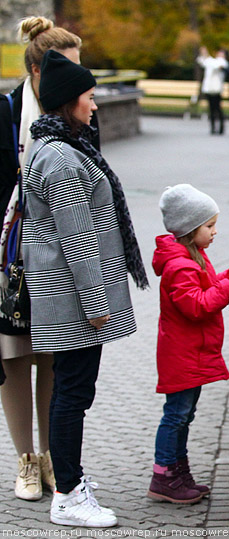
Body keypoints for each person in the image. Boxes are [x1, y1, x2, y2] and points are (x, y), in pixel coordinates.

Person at [24, 50, 149, 527]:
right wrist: (97, 305)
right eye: (90, 98)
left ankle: (71, 482)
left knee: (72, 391)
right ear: (67, 101)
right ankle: (70, 495)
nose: (95, 106)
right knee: (73, 393)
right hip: (72, 298)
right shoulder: (60, 158)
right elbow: (76, 237)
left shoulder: (58, 146)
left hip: (67, 296)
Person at [0, 15, 86, 503]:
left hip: (56, 260)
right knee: (14, 359)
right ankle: (26, 460)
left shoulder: (77, 118)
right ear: (36, 69)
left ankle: (54, 456)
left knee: (55, 356)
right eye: (66, 69)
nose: (78, 82)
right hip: (10, 261)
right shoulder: (5, 113)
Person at [148, 184, 229, 504]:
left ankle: (178, 471)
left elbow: (209, 285)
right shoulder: (179, 267)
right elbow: (196, 305)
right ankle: (164, 475)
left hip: (189, 355)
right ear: (190, 229)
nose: (215, 232)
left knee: (185, 414)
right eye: (209, 226)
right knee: (177, 415)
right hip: (182, 357)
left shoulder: (195, 258)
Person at [196, 47, 228, 135]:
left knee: (218, 109)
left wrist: (207, 56)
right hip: (209, 89)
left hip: (216, 89)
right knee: (211, 109)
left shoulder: (222, 62)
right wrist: (204, 55)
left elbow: (214, 64)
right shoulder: (212, 61)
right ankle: (213, 127)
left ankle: (221, 127)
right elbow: (203, 62)